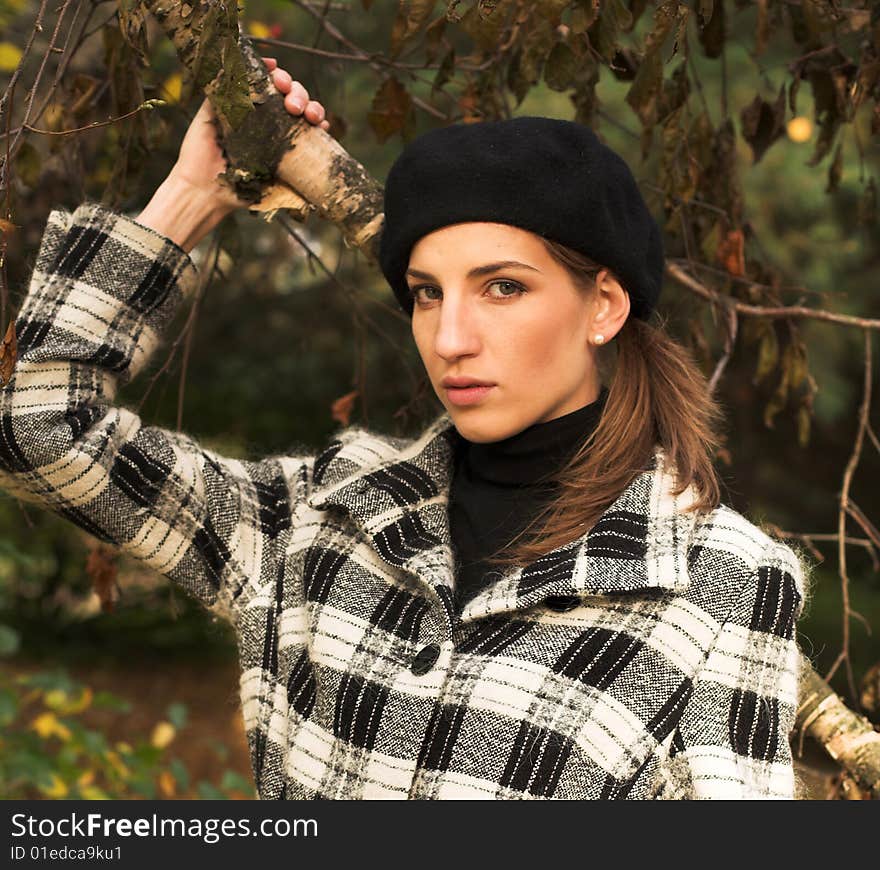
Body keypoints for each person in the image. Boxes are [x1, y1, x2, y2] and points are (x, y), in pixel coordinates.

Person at [0, 58, 807, 800]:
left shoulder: (723, 584)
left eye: (501, 288)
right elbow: (39, 429)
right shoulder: (320, 516)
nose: (450, 338)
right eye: (427, 292)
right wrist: (193, 192)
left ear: (604, 305)